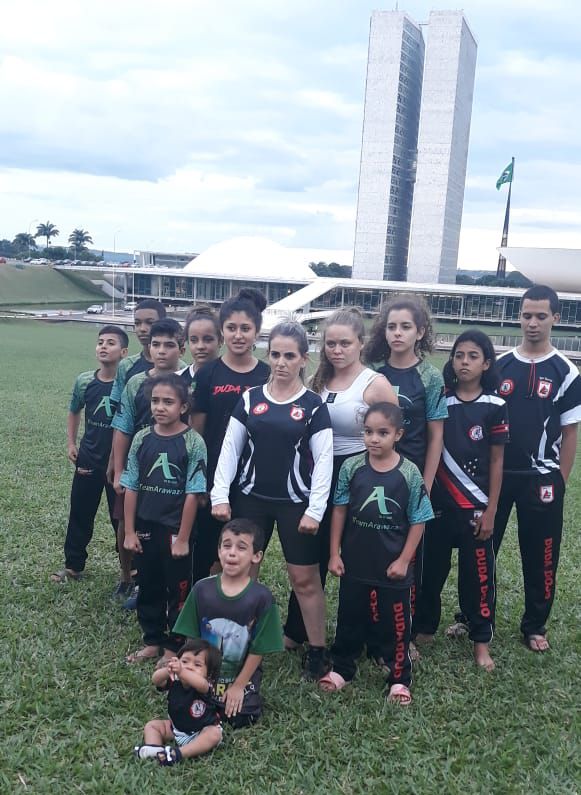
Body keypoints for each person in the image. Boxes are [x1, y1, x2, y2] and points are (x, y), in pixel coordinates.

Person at [211, 321, 334, 680]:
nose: (281, 362)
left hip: (296, 503)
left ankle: (316, 650)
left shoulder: (313, 405)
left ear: (303, 359)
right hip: (250, 500)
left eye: (289, 355)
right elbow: (230, 450)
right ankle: (238, 647)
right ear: (269, 355)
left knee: (304, 579)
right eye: (276, 354)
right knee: (244, 574)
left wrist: (315, 510)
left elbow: (323, 460)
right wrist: (220, 495)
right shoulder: (251, 398)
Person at [283, 308, 398, 652]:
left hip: (358, 473)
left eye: (344, 343)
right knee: (310, 552)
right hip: (316, 473)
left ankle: (369, 637)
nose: (337, 350)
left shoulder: (374, 383)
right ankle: (296, 629)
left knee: (359, 556)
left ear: (360, 344)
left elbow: (393, 433)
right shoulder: (316, 381)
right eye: (330, 343)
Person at [319, 403, 433, 704]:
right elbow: (340, 510)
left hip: (393, 567)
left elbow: (419, 520)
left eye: (383, 432)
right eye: (368, 432)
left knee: (396, 624)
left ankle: (399, 678)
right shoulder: (351, 467)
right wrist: (334, 553)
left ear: (398, 434)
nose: (374, 438)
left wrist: (404, 560)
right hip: (356, 563)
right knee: (349, 618)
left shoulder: (409, 473)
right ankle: (343, 667)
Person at [492, 284, 581, 652]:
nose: (532, 323)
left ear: (555, 319)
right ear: (520, 316)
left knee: (542, 553)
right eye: (527, 315)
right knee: (482, 549)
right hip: (497, 476)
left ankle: (535, 625)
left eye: (541, 316)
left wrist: (560, 480)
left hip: (542, 480)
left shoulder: (567, 372)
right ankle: (474, 617)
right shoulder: (499, 365)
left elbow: (570, 432)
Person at [414, 331, 509, 671]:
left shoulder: (496, 406)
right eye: (458, 355)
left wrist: (492, 510)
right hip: (438, 507)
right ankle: (423, 628)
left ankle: (481, 643)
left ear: (486, 363)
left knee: (478, 578)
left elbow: (498, 461)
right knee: (430, 572)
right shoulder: (440, 399)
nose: (464, 362)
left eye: (472, 356)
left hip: (476, 510)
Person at [364, 296, 447, 658]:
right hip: (373, 477)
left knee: (408, 558)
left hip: (410, 480)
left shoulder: (429, 376)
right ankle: (370, 627)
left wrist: (425, 486)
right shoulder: (374, 371)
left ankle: (404, 633)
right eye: (391, 326)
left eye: (406, 327)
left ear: (421, 332)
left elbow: (436, 435)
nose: (397, 333)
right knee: (369, 551)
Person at [121, 373, 207, 663]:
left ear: (183, 406)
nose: (160, 407)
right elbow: (131, 485)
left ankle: (174, 646)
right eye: (155, 400)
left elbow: (193, 493)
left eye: (168, 402)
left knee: (178, 589)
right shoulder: (141, 438)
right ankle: (152, 640)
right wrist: (130, 531)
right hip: (145, 526)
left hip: (175, 531)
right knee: (149, 583)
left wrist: (183, 538)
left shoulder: (193, 442)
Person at [191, 289, 270, 582]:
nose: (239, 335)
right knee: (207, 550)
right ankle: (198, 612)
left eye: (246, 329)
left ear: (257, 332)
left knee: (243, 549)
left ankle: (239, 616)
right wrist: (198, 481)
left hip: (252, 479)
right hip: (213, 477)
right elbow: (196, 433)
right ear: (223, 332)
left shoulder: (267, 375)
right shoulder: (208, 374)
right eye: (232, 328)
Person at [173, 519, 284, 727]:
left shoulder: (262, 597)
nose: (232, 553)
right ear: (218, 550)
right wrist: (190, 675)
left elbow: (258, 649)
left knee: (241, 718)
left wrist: (239, 686)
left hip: (240, 679)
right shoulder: (201, 590)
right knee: (187, 712)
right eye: (226, 545)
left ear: (256, 556)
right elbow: (191, 641)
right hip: (203, 678)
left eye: (241, 547)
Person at [112, 318, 187, 608]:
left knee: (170, 530)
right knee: (132, 524)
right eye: (156, 344)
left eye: (170, 345)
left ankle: (174, 591)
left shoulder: (188, 381)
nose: (162, 351)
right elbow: (122, 426)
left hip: (175, 472)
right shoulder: (136, 382)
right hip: (139, 469)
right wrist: (119, 470)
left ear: (181, 348)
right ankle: (138, 582)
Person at [51, 325, 129, 583]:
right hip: (89, 459)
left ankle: (130, 570)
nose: (104, 347)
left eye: (111, 343)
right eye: (100, 342)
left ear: (124, 351)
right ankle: (73, 566)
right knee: (80, 513)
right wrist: (71, 443)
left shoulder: (129, 383)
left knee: (121, 518)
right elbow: (74, 410)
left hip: (120, 464)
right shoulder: (85, 380)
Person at [108, 299, 169, 600]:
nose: (143, 330)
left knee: (162, 525)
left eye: (150, 323)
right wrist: (116, 465)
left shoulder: (185, 375)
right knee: (126, 521)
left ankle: (155, 582)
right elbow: (121, 421)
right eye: (139, 323)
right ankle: (126, 574)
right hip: (136, 462)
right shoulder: (131, 374)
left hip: (170, 465)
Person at [134, 639, 223, 766]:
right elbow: (156, 680)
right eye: (184, 661)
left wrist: (182, 671)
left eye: (197, 665)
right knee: (152, 725)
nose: (189, 666)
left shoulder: (205, 685)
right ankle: (155, 749)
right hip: (175, 729)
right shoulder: (175, 679)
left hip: (200, 731)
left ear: (209, 675)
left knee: (214, 734)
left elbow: (201, 684)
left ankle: (179, 753)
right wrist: (167, 670)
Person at [177, 304, 222, 388]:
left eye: (208, 340)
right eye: (194, 340)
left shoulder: (231, 379)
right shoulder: (176, 380)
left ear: (220, 341)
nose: (200, 346)